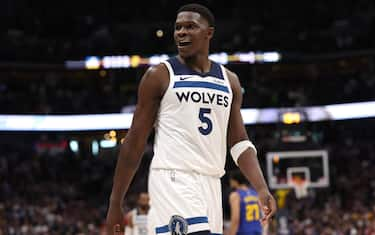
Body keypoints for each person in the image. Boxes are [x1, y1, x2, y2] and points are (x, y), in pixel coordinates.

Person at [106, 3, 277, 235]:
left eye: (190, 26)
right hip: (173, 178)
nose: (181, 32)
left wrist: (262, 188)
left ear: (209, 33)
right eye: (178, 27)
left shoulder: (230, 81)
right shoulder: (160, 75)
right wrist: (115, 202)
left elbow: (239, 142)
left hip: (211, 183)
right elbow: (135, 140)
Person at [228, 170, 263, 235]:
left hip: (244, 231)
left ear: (235, 181)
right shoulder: (256, 194)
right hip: (257, 231)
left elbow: (235, 219)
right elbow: (263, 216)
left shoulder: (235, 195)